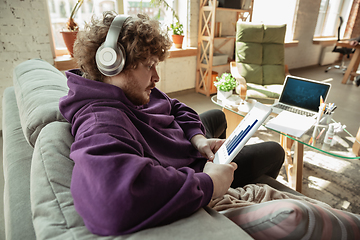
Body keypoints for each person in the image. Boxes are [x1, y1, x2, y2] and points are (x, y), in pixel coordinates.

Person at [59, 11, 285, 236]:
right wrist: (210, 183)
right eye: (149, 65)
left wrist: (197, 138)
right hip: (191, 172)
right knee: (274, 151)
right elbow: (109, 205)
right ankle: (229, 187)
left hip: (183, 147)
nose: (156, 77)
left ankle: (214, 157)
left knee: (217, 115)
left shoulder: (132, 90)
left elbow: (176, 107)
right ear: (112, 63)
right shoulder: (102, 121)